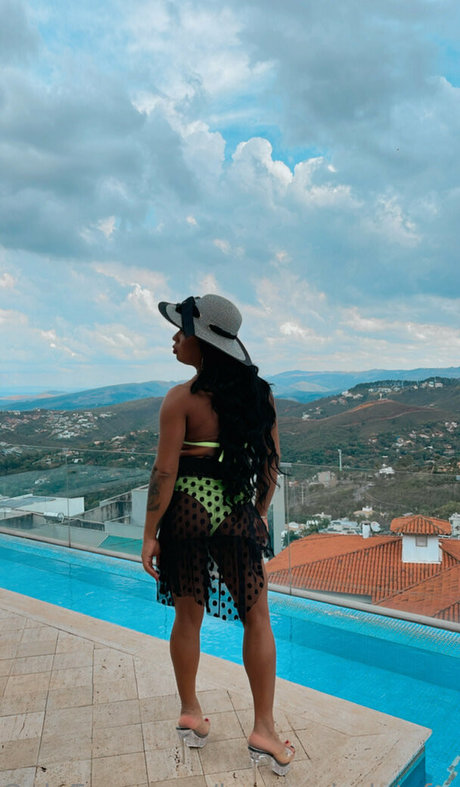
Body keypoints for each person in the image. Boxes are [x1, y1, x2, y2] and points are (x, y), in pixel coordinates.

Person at [142, 294, 295, 778]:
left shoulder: (180, 399)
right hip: (235, 512)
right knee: (258, 619)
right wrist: (259, 514)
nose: (174, 338)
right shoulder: (259, 397)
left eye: (181, 331)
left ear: (203, 343)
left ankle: (190, 712)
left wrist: (149, 535)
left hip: (185, 511)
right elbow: (270, 465)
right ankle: (264, 730)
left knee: (187, 617)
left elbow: (165, 473)